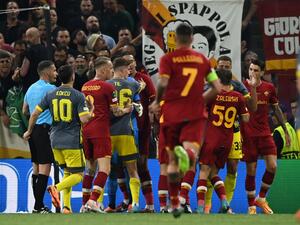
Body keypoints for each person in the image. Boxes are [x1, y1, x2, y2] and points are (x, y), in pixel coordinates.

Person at [149, 22, 221, 218]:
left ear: (175, 38)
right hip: (195, 114)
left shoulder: (167, 58)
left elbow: (163, 82)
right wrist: (199, 100)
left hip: (171, 113)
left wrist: (157, 101)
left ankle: (174, 202)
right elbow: (217, 87)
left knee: (171, 163)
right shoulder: (203, 60)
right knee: (191, 156)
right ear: (191, 38)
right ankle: (187, 155)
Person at [23, 65, 94, 213]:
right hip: (72, 141)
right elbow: (84, 119)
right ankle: (56, 188)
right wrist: (91, 110)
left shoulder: (50, 94)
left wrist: (29, 130)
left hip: (54, 140)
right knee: (79, 175)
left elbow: (34, 113)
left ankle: (66, 207)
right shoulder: (77, 95)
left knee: (68, 172)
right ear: (73, 77)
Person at [204, 55, 258, 213]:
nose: (224, 69)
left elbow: (252, 108)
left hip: (233, 131)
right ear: (216, 67)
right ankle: (207, 205)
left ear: (231, 68)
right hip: (212, 131)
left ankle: (226, 205)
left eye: (227, 67)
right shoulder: (208, 86)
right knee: (209, 167)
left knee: (233, 168)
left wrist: (252, 88)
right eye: (221, 67)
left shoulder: (238, 86)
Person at [80, 56, 131, 212]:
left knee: (89, 168)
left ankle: (84, 204)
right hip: (101, 131)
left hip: (86, 131)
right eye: (110, 68)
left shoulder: (85, 86)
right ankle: (93, 201)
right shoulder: (109, 88)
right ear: (102, 70)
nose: (111, 71)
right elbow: (115, 112)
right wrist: (127, 109)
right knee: (105, 169)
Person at [241, 59, 290, 215]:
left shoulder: (269, 88)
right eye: (250, 69)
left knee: (273, 166)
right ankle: (251, 207)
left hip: (264, 133)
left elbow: (276, 110)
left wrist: (286, 130)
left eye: (256, 70)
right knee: (251, 170)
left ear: (262, 72)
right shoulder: (242, 86)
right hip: (248, 134)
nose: (252, 73)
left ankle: (261, 198)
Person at [197, 69, 249, 214]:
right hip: (227, 141)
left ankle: (201, 207)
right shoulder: (239, 97)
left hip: (211, 138)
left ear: (218, 80)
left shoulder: (214, 95)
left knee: (203, 172)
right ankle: (225, 202)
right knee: (213, 173)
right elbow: (245, 118)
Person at [107, 57, 142, 212]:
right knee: (132, 169)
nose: (130, 72)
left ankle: (110, 205)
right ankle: (134, 204)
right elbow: (139, 93)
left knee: (109, 171)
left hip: (109, 133)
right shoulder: (133, 84)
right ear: (122, 70)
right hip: (127, 133)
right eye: (128, 69)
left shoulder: (106, 85)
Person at [22, 60, 57, 213]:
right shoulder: (51, 89)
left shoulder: (31, 88)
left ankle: (38, 206)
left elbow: (24, 110)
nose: (56, 73)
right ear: (47, 72)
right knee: (44, 169)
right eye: (54, 70)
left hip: (34, 132)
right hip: (45, 131)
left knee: (36, 169)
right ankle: (38, 206)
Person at [122, 53, 156, 212]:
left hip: (142, 129)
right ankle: (127, 201)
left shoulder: (144, 79)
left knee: (142, 165)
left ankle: (149, 205)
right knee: (122, 166)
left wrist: (154, 123)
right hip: (122, 129)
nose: (129, 65)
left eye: (131, 61)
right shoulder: (118, 82)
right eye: (126, 62)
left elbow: (154, 101)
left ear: (135, 63)